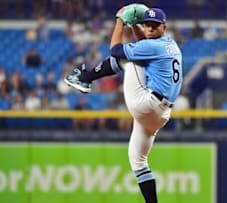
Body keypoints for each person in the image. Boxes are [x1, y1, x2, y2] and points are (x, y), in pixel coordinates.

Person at [64, 4, 183, 203]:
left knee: (128, 61)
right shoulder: (169, 44)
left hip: (146, 104)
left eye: (155, 25)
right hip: (160, 116)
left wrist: (120, 21)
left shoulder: (153, 46)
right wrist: (135, 25)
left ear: (164, 27)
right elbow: (144, 45)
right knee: (137, 160)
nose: (151, 28)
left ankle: (86, 78)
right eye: (148, 25)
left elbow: (116, 50)